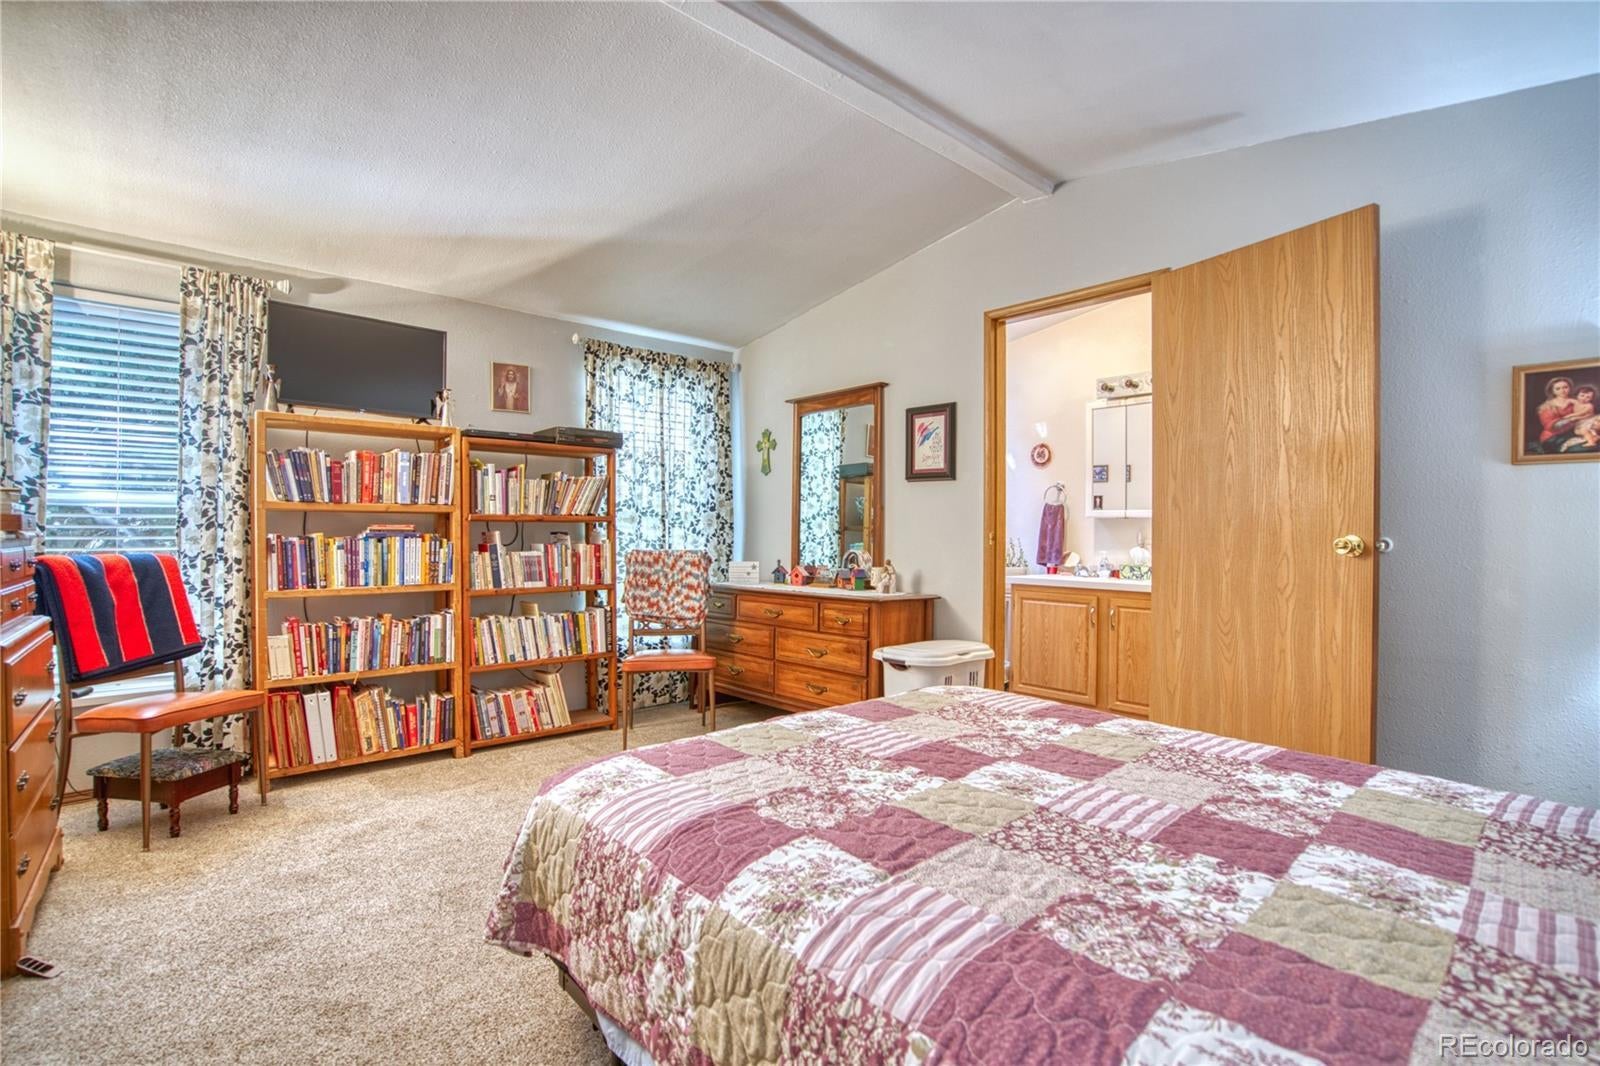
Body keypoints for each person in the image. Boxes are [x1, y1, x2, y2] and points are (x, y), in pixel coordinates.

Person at [1536, 377, 1582, 451]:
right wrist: (1571, 419)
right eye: (1558, 389)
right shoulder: (1547, 406)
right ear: (1552, 391)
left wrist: (1577, 404)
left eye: (1565, 387)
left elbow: (1585, 416)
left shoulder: (1576, 402)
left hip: (1574, 433)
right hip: (1553, 437)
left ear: (1570, 388)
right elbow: (1551, 427)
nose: (1562, 391)